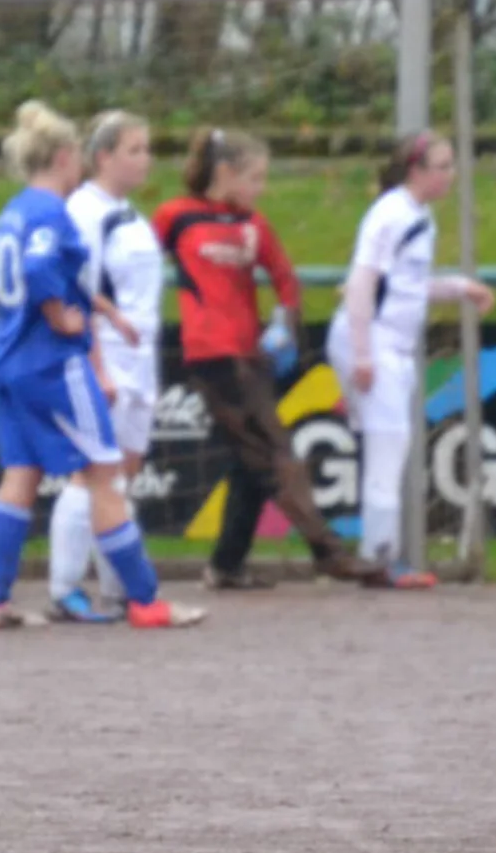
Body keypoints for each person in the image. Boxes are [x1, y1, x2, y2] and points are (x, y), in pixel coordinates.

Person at [0, 101, 204, 631]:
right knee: (105, 476)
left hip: (9, 359)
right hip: (53, 364)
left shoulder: (14, 210)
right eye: (77, 153)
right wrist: (61, 316)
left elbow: (56, 273)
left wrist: (103, 311)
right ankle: (145, 601)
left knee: (20, 477)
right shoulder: (54, 211)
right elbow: (40, 270)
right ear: (63, 156)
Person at [153, 128, 387, 590]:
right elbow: (133, 262)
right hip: (212, 356)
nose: (260, 189)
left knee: (252, 461)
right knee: (277, 454)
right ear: (225, 173)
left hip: (252, 355)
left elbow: (284, 277)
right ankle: (329, 553)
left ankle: (226, 565)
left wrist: (284, 320)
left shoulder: (252, 225)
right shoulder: (174, 217)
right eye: (255, 178)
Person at [326, 132, 494, 587]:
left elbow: (408, 285)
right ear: (416, 171)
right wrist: (363, 354)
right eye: (442, 165)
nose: (450, 174)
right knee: (388, 447)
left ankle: (377, 556)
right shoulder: (391, 215)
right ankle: (378, 561)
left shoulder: (418, 216)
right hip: (374, 340)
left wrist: (460, 288)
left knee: (388, 447)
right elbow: (362, 285)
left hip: (388, 343)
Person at [47, 110, 164, 622]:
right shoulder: (84, 211)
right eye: (134, 149)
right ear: (103, 157)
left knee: (124, 474)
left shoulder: (133, 214)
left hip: (142, 355)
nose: (145, 159)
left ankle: (119, 587)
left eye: (146, 148)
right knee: (91, 473)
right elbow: (79, 291)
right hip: (108, 354)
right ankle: (64, 587)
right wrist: (97, 366)